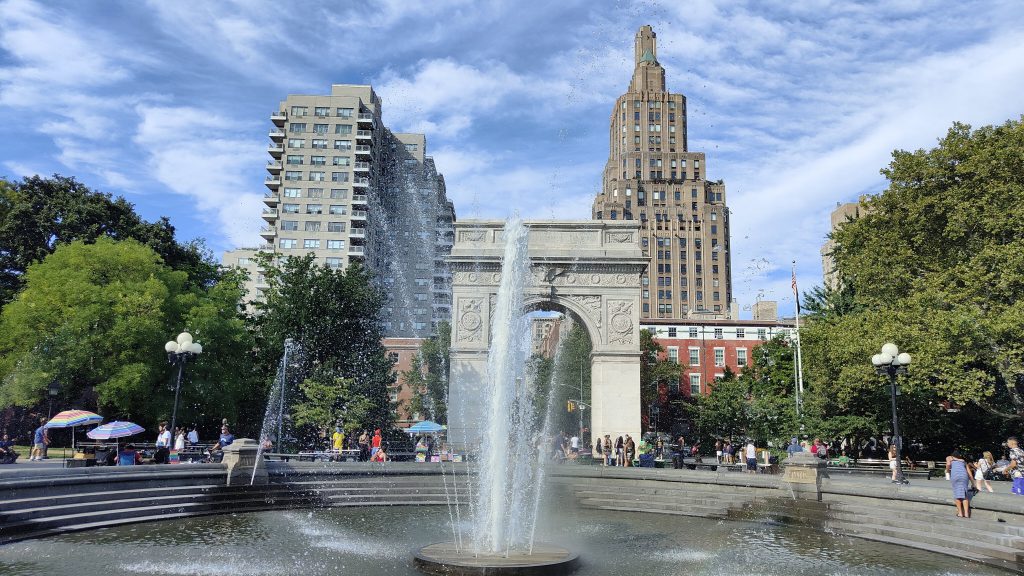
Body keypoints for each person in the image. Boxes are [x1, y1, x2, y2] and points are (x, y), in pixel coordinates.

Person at [947, 449, 972, 518]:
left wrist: (947, 471)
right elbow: (969, 473)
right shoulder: (963, 461)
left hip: (955, 476)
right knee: (964, 495)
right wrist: (973, 483)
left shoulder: (949, 458)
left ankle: (960, 513)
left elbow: (948, 464)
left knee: (957, 495)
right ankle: (966, 514)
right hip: (964, 477)